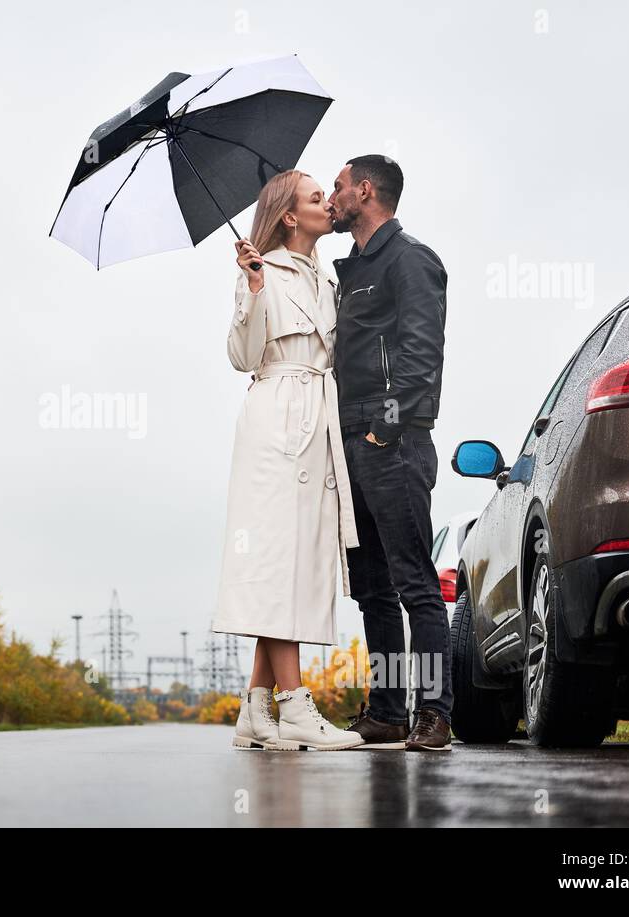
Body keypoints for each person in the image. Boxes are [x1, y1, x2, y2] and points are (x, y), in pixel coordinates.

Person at [211, 169, 364, 752]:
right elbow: (242, 357)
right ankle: (296, 710)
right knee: (276, 561)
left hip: (316, 416)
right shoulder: (263, 272)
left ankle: (255, 710)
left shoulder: (325, 279)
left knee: (292, 561)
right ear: (290, 217)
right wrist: (251, 290)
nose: (328, 201)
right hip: (276, 419)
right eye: (315, 197)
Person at [326, 154, 453, 751]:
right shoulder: (350, 271)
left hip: (392, 443)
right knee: (371, 588)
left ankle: (434, 713)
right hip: (348, 444)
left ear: (366, 190)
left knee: (414, 584)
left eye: (339, 185)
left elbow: (421, 356)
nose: (333, 196)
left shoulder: (411, 260)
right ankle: (386, 710)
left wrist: (383, 430)